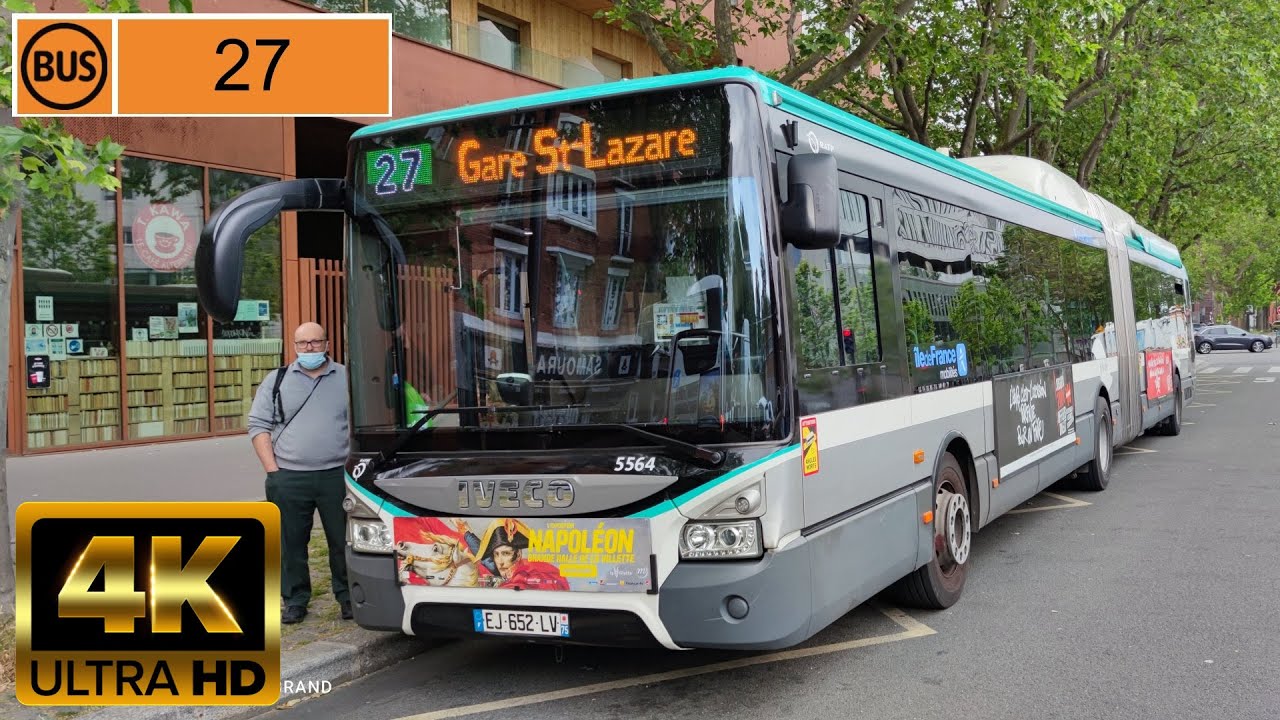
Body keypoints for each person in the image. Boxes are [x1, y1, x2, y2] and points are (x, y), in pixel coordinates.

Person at [247, 322, 352, 624]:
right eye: (302, 343)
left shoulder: (345, 377)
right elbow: (258, 425)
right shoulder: (277, 380)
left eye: (315, 342)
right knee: (290, 543)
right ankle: (295, 600)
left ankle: (347, 597)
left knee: (342, 539)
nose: (309, 348)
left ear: (327, 344)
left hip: (337, 475)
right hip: (289, 477)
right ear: (294, 346)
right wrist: (273, 471)